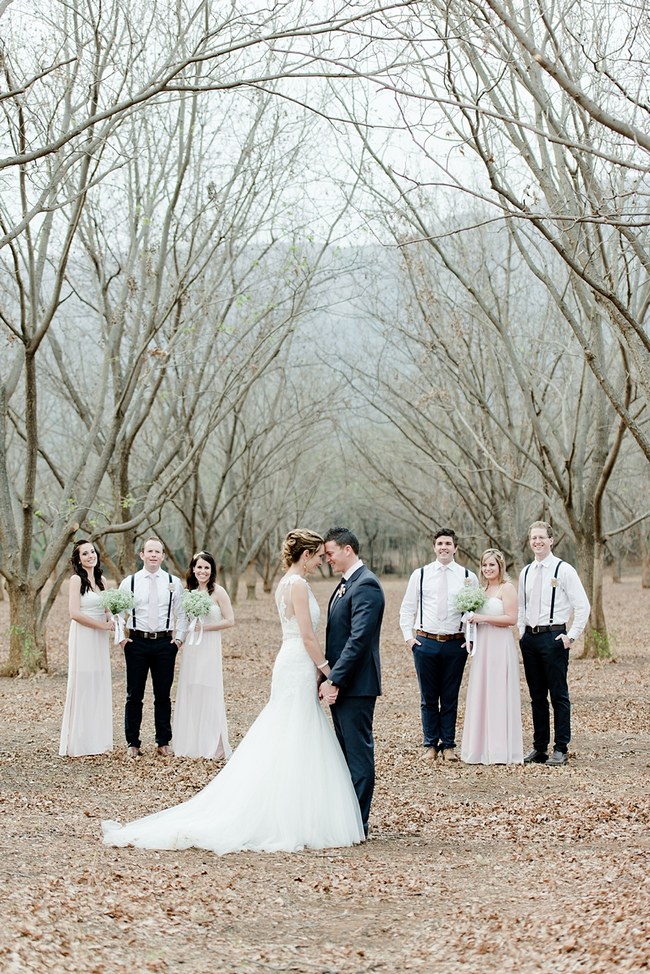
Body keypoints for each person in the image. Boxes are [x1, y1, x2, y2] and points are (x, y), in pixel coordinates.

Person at [102, 529, 364, 853]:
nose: (320, 562)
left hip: (293, 661)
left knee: (291, 729)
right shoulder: (296, 585)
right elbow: (308, 637)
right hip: (297, 660)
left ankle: (288, 802)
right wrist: (329, 672)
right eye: (317, 556)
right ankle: (284, 812)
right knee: (294, 727)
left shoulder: (286, 583)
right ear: (306, 555)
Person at [321, 526, 384, 838]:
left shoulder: (367, 585)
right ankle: (346, 819)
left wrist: (335, 679)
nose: (327, 559)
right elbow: (337, 637)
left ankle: (358, 823)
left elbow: (358, 640)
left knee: (358, 755)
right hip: (344, 684)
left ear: (348, 550)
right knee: (346, 752)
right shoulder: (345, 584)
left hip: (357, 685)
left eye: (330, 553)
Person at [399, 528, 479, 762]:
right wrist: (409, 638)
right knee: (429, 697)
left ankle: (449, 745)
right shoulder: (420, 574)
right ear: (434, 547)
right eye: (440, 543)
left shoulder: (468, 576)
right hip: (426, 641)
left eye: (448, 543)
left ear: (456, 547)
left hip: (455, 643)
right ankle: (430, 744)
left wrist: (470, 638)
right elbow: (407, 607)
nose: (444, 547)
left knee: (451, 696)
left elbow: (474, 610)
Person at [518, 521, 590, 767]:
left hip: (554, 637)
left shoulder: (564, 569)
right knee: (536, 696)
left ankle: (561, 748)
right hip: (530, 638)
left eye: (541, 537)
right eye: (533, 538)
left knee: (558, 694)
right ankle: (539, 748)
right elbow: (520, 607)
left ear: (551, 541)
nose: (537, 542)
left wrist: (571, 636)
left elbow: (582, 606)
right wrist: (521, 633)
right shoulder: (525, 571)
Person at [118, 537, 188, 758]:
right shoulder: (129, 582)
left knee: (163, 695)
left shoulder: (173, 582)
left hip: (164, 644)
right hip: (136, 642)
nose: (154, 555)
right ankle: (132, 743)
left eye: (158, 552)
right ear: (142, 555)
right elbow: (118, 612)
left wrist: (178, 640)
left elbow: (182, 613)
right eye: (150, 551)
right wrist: (122, 639)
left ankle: (163, 741)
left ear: (163, 556)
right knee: (134, 695)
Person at [460, 549, 523, 765]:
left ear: (500, 567)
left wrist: (482, 618)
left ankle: (499, 750)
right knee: (482, 692)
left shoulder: (507, 588)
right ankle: (479, 749)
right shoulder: (481, 589)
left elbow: (512, 618)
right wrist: (470, 632)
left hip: (499, 644)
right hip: (483, 645)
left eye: (492, 565)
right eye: (485, 565)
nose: (488, 569)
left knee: (498, 692)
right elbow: (472, 618)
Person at [172, 550, 234, 760]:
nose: (202, 571)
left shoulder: (218, 592)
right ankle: (192, 742)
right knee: (192, 688)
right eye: (199, 567)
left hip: (209, 646)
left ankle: (213, 743)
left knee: (208, 687)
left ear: (212, 570)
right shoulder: (187, 592)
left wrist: (205, 628)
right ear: (193, 569)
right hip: (192, 648)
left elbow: (229, 620)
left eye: (206, 567)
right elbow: (181, 619)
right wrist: (179, 638)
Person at [59, 540, 115, 757]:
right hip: (83, 635)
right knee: (82, 680)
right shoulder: (75, 580)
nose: (91, 555)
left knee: (97, 680)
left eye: (92, 551)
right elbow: (74, 613)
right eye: (85, 553)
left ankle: (96, 739)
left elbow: (107, 610)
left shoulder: (102, 581)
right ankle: (79, 741)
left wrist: (114, 619)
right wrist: (101, 625)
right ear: (78, 558)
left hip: (99, 638)